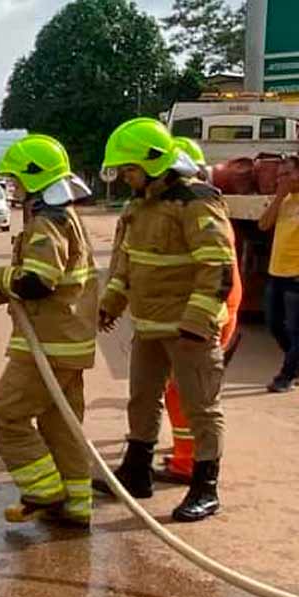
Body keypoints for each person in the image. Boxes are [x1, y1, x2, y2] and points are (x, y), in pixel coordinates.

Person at [97, 118, 236, 523]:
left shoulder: (197, 202)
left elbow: (218, 268)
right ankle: (136, 471)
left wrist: (198, 321)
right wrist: (111, 303)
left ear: (155, 163)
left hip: (188, 330)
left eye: (129, 170)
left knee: (202, 408)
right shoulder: (138, 207)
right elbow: (126, 264)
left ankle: (205, 486)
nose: (125, 178)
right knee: (141, 399)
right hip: (149, 326)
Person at [0, 134, 98, 527]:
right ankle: (76, 505)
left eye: (16, 180)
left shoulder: (48, 222)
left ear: (34, 177)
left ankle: (44, 492)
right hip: (68, 342)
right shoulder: (65, 218)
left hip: (46, 346)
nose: (13, 187)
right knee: (60, 425)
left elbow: (37, 283)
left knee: (5, 417)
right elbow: (47, 284)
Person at [155, 137, 244, 482]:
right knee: (184, 389)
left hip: (208, 314)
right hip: (217, 308)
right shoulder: (199, 207)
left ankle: (189, 462)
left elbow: (209, 271)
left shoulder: (198, 209)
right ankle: (186, 455)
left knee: (186, 391)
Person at [258, 155, 299, 392]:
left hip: (296, 276)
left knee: (296, 329)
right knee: (274, 324)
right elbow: (263, 225)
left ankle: (286, 376)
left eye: (286, 174)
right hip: (276, 272)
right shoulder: (283, 202)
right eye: (278, 176)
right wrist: (279, 197)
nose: (280, 180)